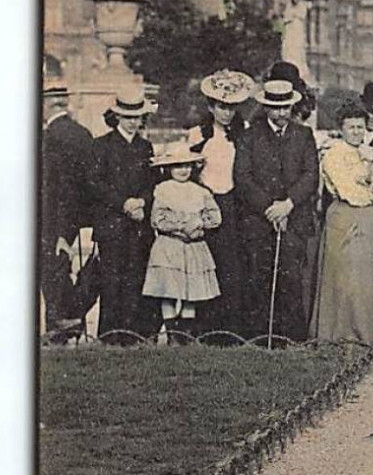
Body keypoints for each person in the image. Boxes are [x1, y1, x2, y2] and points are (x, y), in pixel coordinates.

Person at [234, 79, 320, 343]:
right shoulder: (249, 136)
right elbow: (243, 177)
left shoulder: (303, 135)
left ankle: (291, 338)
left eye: (286, 107)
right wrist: (269, 208)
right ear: (266, 107)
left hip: (294, 219)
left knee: (291, 279)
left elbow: (311, 174)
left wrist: (288, 204)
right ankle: (260, 338)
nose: (282, 113)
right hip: (260, 220)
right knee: (259, 277)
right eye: (276, 108)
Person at [311, 102, 373, 346]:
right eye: (351, 127)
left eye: (360, 127)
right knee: (345, 276)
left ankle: (367, 332)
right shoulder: (334, 155)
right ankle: (340, 333)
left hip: (368, 219)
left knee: (364, 276)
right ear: (341, 129)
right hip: (345, 216)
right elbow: (349, 191)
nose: (357, 132)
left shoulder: (368, 153)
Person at [186, 69, 254, 338]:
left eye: (231, 108)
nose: (227, 113)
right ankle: (206, 330)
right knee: (207, 265)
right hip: (207, 204)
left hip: (236, 205)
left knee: (234, 268)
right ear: (211, 107)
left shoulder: (244, 133)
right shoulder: (197, 135)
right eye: (221, 107)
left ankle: (232, 330)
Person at [88, 92, 159, 342]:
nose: (132, 122)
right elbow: (95, 184)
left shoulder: (145, 147)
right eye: (127, 117)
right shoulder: (101, 145)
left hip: (139, 222)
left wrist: (142, 201)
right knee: (112, 280)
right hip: (113, 224)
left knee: (136, 278)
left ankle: (133, 336)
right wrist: (124, 203)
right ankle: (110, 337)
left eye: (137, 117)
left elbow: (153, 181)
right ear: (116, 116)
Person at [143, 143, 221, 340]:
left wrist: (198, 223)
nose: (183, 170)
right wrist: (181, 225)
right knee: (169, 291)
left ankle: (185, 334)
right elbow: (157, 219)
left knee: (190, 292)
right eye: (177, 166)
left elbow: (215, 217)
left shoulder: (200, 191)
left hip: (193, 247)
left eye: (187, 166)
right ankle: (172, 333)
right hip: (169, 246)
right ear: (168, 169)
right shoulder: (162, 189)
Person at [40, 82, 94, 342]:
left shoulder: (52, 136)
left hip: (54, 216)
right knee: (57, 267)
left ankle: (62, 323)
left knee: (52, 268)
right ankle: (67, 321)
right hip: (74, 214)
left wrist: (61, 229)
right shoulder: (81, 132)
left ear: (47, 104)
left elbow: (59, 186)